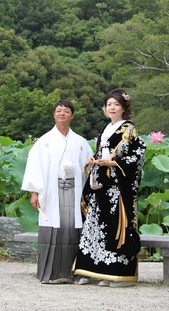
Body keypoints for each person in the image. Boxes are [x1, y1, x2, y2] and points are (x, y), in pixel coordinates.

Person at [73, 88, 146, 287]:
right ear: (105, 109)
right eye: (109, 105)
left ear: (124, 108)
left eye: (116, 105)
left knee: (117, 227)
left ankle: (121, 273)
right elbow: (103, 154)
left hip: (117, 187)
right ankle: (100, 271)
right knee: (97, 227)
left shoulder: (129, 129)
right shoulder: (107, 129)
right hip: (101, 185)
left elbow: (136, 156)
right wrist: (93, 160)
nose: (112, 108)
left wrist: (114, 164)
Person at [22, 100, 93, 284]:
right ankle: (51, 274)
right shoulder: (44, 141)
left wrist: (89, 166)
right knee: (53, 229)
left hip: (75, 191)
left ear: (72, 116)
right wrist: (34, 192)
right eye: (59, 110)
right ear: (54, 115)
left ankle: (74, 272)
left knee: (73, 229)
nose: (62, 113)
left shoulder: (80, 142)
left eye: (66, 111)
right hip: (52, 190)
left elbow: (89, 166)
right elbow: (35, 167)